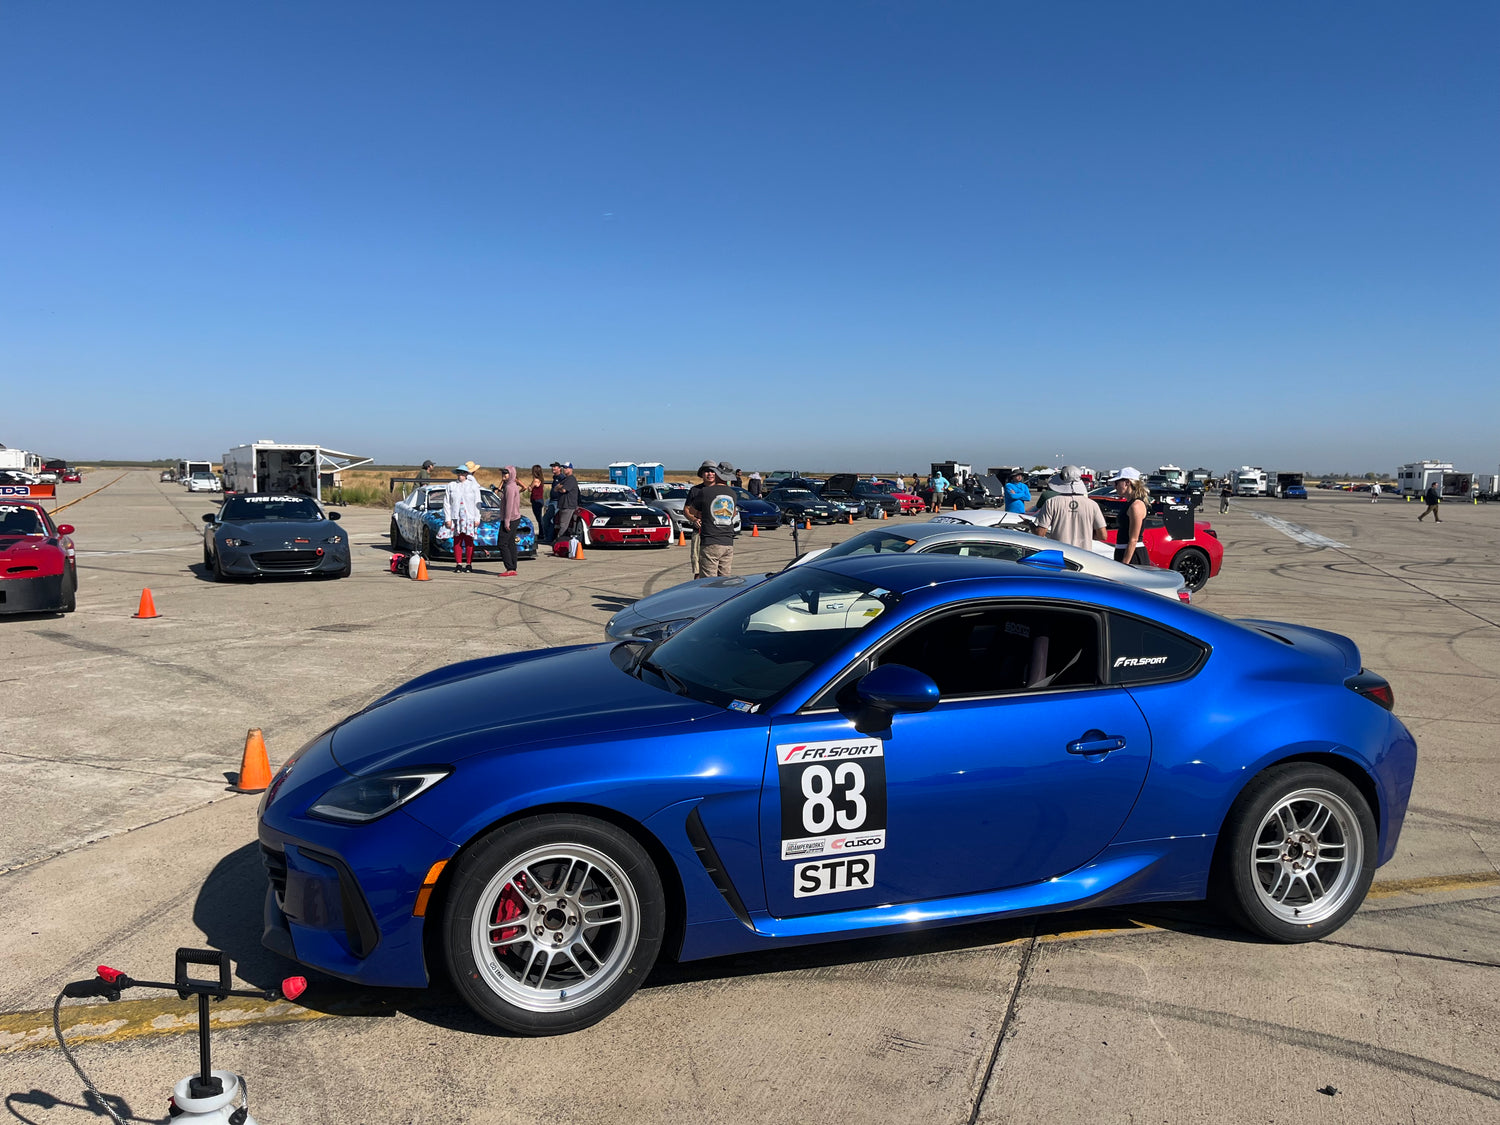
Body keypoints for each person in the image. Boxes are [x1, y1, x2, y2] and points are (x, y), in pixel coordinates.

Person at [1033, 465, 1107, 551]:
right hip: (1084, 555)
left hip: (1059, 554)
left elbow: (1040, 533)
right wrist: (1086, 535)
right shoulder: (1092, 505)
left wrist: (1030, 525)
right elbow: (1103, 535)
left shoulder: (1051, 502)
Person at [685, 460, 737, 577]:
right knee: (724, 579)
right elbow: (733, 513)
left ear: (717, 474)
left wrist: (704, 513)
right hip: (727, 541)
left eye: (712, 471)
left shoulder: (705, 492)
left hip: (710, 539)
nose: (710, 474)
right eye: (707, 471)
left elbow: (692, 510)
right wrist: (695, 520)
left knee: (708, 580)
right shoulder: (732, 493)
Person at [443, 463, 482, 572]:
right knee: (457, 540)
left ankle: (469, 564)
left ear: (467, 474)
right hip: (456, 517)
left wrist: (477, 518)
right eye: (459, 473)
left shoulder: (473, 486)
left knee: (469, 540)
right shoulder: (451, 486)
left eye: (463, 473)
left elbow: (477, 503)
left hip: (469, 517)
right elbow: (447, 503)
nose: (460, 475)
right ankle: (458, 564)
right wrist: (448, 518)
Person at [1111, 467, 1152, 565]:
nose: (1115, 487)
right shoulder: (1129, 504)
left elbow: (1133, 539)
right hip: (1123, 552)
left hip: (1133, 556)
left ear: (1127, 483)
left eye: (1117, 483)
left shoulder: (1136, 505)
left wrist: (1124, 564)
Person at [496, 466, 521, 575]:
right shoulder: (512, 486)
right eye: (503, 473)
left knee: (502, 543)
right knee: (511, 543)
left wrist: (506, 521)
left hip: (510, 519)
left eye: (506, 473)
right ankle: (513, 567)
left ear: (511, 474)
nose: (504, 476)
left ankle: (510, 567)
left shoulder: (509, 488)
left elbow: (509, 505)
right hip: (515, 518)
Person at [553, 461, 580, 546]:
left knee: (563, 525)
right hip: (563, 505)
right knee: (561, 524)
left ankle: (558, 541)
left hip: (568, 505)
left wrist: (559, 488)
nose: (564, 469)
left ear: (571, 469)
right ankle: (561, 541)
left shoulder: (571, 479)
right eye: (563, 468)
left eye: (566, 468)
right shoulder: (565, 479)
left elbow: (564, 489)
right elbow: (555, 488)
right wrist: (559, 487)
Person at [529, 464, 546, 528]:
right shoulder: (541, 480)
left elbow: (530, 488)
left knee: (539, 518)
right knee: (539, 517)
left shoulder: (535, 480)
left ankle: (542, 532)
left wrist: (529, 487)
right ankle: (542, 532)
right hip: (540, 499)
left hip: (536, 500)